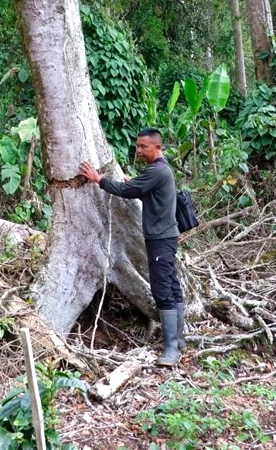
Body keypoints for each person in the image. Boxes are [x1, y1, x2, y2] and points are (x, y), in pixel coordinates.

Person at [79, 128, 185, 366]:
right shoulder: (159, 170)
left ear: (157, 147)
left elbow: (129, 191)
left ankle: (171, 350)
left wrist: (99, 180)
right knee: (172, 286)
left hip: (160, 239)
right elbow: (139, 187)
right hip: (165, 237)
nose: (138, 151)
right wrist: (131, 182)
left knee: (162, 290)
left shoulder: (157, 171)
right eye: (137, 146)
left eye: (143, 147)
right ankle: (178, 340)